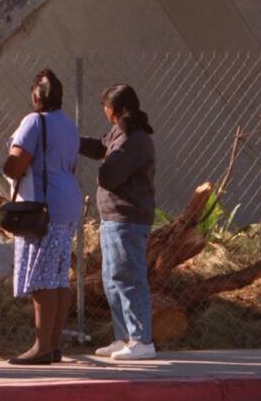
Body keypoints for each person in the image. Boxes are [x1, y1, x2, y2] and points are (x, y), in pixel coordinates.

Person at [2, 69, 83, 365]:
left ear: (36, 96)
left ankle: (41, 347)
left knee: (42, 280)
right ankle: (54, 344)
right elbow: (70, 166)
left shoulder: (33, 121)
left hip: (42, 209)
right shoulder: (69, 126)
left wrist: (10, 157)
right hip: (68, 204)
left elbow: (14, 165)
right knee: (59, 277)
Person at [80, 84, 157, 361]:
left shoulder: (132, 140)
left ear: (115, 110)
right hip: (114, 219)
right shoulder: (120, 134)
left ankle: (141, 340)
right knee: (112, 279)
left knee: (129, 278)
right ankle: (123, 337)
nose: (104, 111)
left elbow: (109, 176)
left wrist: (102, 167)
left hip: (127, 219)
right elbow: (101, 146)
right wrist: (74, 142)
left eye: (106, 106)